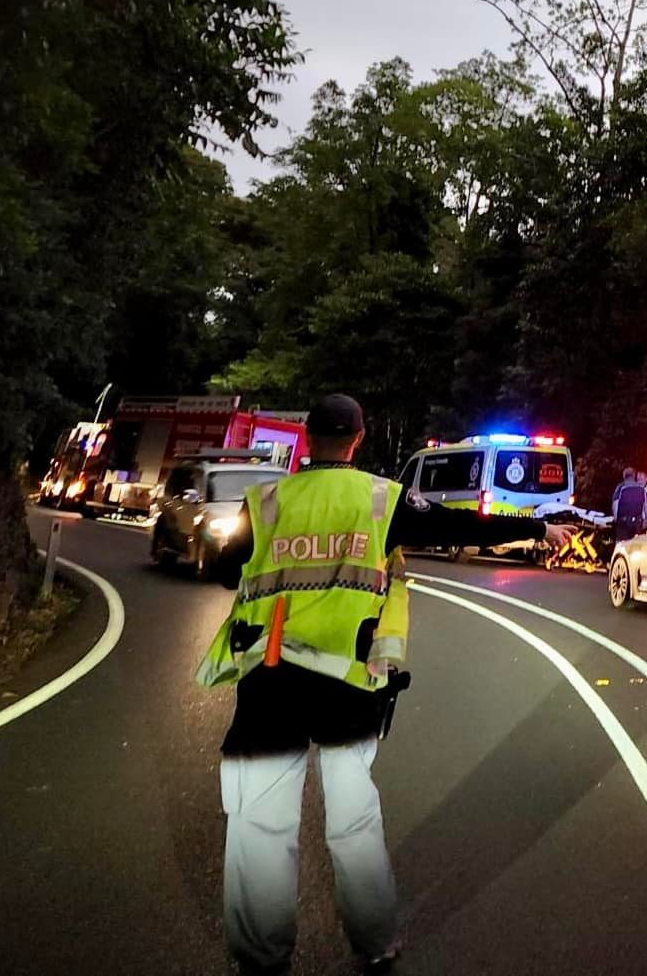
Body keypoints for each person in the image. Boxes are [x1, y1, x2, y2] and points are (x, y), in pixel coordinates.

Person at [195, 394, 573, 975]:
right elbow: (457, 524)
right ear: (358, 438)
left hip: (270, 682)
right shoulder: (381, 499)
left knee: (260, 825)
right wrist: (539, 527)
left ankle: (261, 958)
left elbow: (225, 570)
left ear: (308, 438)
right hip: (349, 682)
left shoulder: (265, 500)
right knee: (353, 821)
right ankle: (374, 944)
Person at [611, 466, 647, 544]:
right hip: (637, 523)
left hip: (623, 522)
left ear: (624, 476)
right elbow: (645, 505)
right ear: (634, 476)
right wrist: (646, 520)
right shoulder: (641, 488)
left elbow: (615, 503)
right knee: (635, 545)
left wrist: (615, 518)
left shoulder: (621, 487)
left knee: (621, 546)